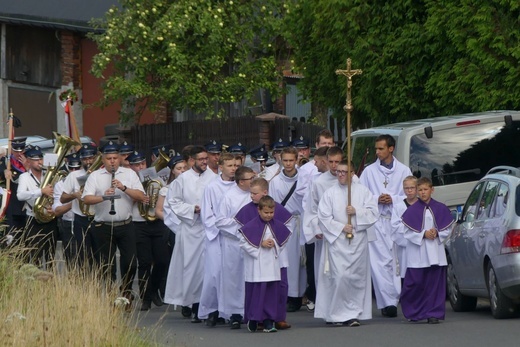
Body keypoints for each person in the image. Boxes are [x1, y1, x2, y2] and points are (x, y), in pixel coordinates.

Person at [315, 160, 379, 326]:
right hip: (337, 243)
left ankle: (352, 313)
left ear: (352, 173)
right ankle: (335, 313)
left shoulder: (363, 192)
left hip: (357, 242)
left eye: (345, 171)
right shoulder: (330, 193)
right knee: (340, 277)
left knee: (355, 278)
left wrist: (356, 212)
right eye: (339, 171)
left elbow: (373, 213)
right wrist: (342, 227)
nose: (341, 174)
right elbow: (323, 217)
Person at [82, 141, 146, 307]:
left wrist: (123, 188)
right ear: (103, 159)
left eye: (115, 158)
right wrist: (103, 197)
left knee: (131, 263)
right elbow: (87, 199)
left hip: (126, 225)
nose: (112, 161)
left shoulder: (130, 174)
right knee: (107, 266)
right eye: (109, 158)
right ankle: (111, 297)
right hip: (103, 226)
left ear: (119, 158)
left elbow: (141, 196)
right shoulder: (95, 176)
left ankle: (125, 292)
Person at [359, 134, 412, 317]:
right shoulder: (368, 172)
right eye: (376, 149)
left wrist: (394, 199)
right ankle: (388, 302)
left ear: (391, 148)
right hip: (377, 221)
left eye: (381, 148)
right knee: (379, 263)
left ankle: (399, 296)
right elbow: (362, 195)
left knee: (397, 261)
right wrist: (376, 199)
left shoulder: (404, 171)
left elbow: (410, 195)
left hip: (397, 221)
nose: (377, 152)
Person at [163, 145, 217, 322]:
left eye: (205, 159)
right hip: (191, 228)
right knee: (191, 268)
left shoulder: (214, 178)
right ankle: (189, 302)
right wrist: (192, 209)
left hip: (209, 229)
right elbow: (173, 202)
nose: (204, 162)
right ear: (192, 160)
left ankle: (204, 305)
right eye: (200, 159)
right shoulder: (182, 179)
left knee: (208, 268)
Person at [235, 177, 293, 330]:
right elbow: (242, 235)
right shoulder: (247, 210)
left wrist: (276, 243)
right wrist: (258, 244)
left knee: (278, 287)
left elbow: (286, 230)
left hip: (276, 257)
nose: (251, 196)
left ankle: (277, 317)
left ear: (265, 192)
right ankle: (255, 317)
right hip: (257, 259)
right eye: (251, 193)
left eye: (255, 193)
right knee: (257, 288)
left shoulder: (277, 209)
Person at [400, 177, 454, 324]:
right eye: (420, 190)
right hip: (418, 253)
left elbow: (448, 228)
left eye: (425, 189)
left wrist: (437, 232)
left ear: (432, 190)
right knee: (414, 283)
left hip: (435, 251)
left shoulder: (441, 208)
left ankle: (433, 313)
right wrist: (423, 234)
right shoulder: (411, 211)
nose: (423, 193)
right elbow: (406, 232)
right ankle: (414, 311)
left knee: (435, 284)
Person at [127, 150, 170, 311]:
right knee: (144, 262)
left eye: (142, 164)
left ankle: (153, 291)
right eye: (136, 165)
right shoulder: (130, 182)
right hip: (139, 224)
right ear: (131, 166)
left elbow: (166, 198)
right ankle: (146, 298)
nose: (140, 167)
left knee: (162, 261)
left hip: (157, 223)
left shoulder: (157, 179)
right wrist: (138, 197)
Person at [198, 152, 238, 326]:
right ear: (220, 167)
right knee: (214, 274)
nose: (233, 169)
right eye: (230, 165)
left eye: (236, 165)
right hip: (217, 236)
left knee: (233, 275)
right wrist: (221, 229)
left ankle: (231, 311)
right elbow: (207, 215)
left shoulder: (240, 186)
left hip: (235, 237)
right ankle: (212, 309)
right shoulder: (212, 187)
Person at [214, 166, 256, 329]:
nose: (253, 181)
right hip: (234, 243)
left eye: (253, 177)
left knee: (251, 277)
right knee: (234, 278)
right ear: (240, 182)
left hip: (253, 243)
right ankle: (235, 313)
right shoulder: (229, 197)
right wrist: (241, 226)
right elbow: (220, 221)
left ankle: (251, 311)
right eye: (250, 179)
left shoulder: (255, 195)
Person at [269, 147, 306, 312]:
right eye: (285, 160)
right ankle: (291, 295)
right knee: (288, 260)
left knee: (303, 260)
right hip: (286, 222)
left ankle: (303, 294)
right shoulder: (275, 182)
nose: (289, 164)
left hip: (302, 220)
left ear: (297, 160)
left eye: (292, 160)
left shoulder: (305, 178)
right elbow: (273, 204)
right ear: (281, 161)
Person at [16, 146, 58, 266]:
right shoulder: (24, 177)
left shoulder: (49, 174)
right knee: (34, 255)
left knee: (51, 255)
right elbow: (20, 195)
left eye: (41, 158)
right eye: (35, 159)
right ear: (28, 161)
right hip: (33, 219)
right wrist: (41, 192)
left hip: (50, 219)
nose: (40, 162)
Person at [60, 144, 98, 269]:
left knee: (99, 254)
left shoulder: (101, 174)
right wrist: (74, 195)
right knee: (82, 254)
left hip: (98, 218)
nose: (88, 161)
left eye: (91, 158)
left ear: (96, 158)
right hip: (81, 219)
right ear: (81, 160)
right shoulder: (73, 176)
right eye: (85, 159)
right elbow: (63, 198)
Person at [52, 152, 81, 268]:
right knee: (71, 259)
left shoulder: (89, 180)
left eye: (77, 168)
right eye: (71, 168)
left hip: (86, 221)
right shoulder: (60, 184)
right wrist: (74, 201)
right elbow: (57, 210)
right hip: (69, 223)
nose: (74, 171)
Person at [390, 176, 419, 281]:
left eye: (412, 187)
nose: (409, 190)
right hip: (405, 247)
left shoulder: (423, 205)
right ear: (403, 189)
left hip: (420, 247)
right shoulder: (398, 207)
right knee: (406, 275)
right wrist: (412, 230)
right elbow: (395, 226)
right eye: (407, 188)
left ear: (417, 188)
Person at [1, 137, 28, 230]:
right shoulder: (6, 161)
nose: (19, 154)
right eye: (16, 151)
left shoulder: (30, 160)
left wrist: (28, 168)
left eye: (22, 150)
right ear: (12, 150)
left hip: (27, 205)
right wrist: (4, 170)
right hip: (13, 205)